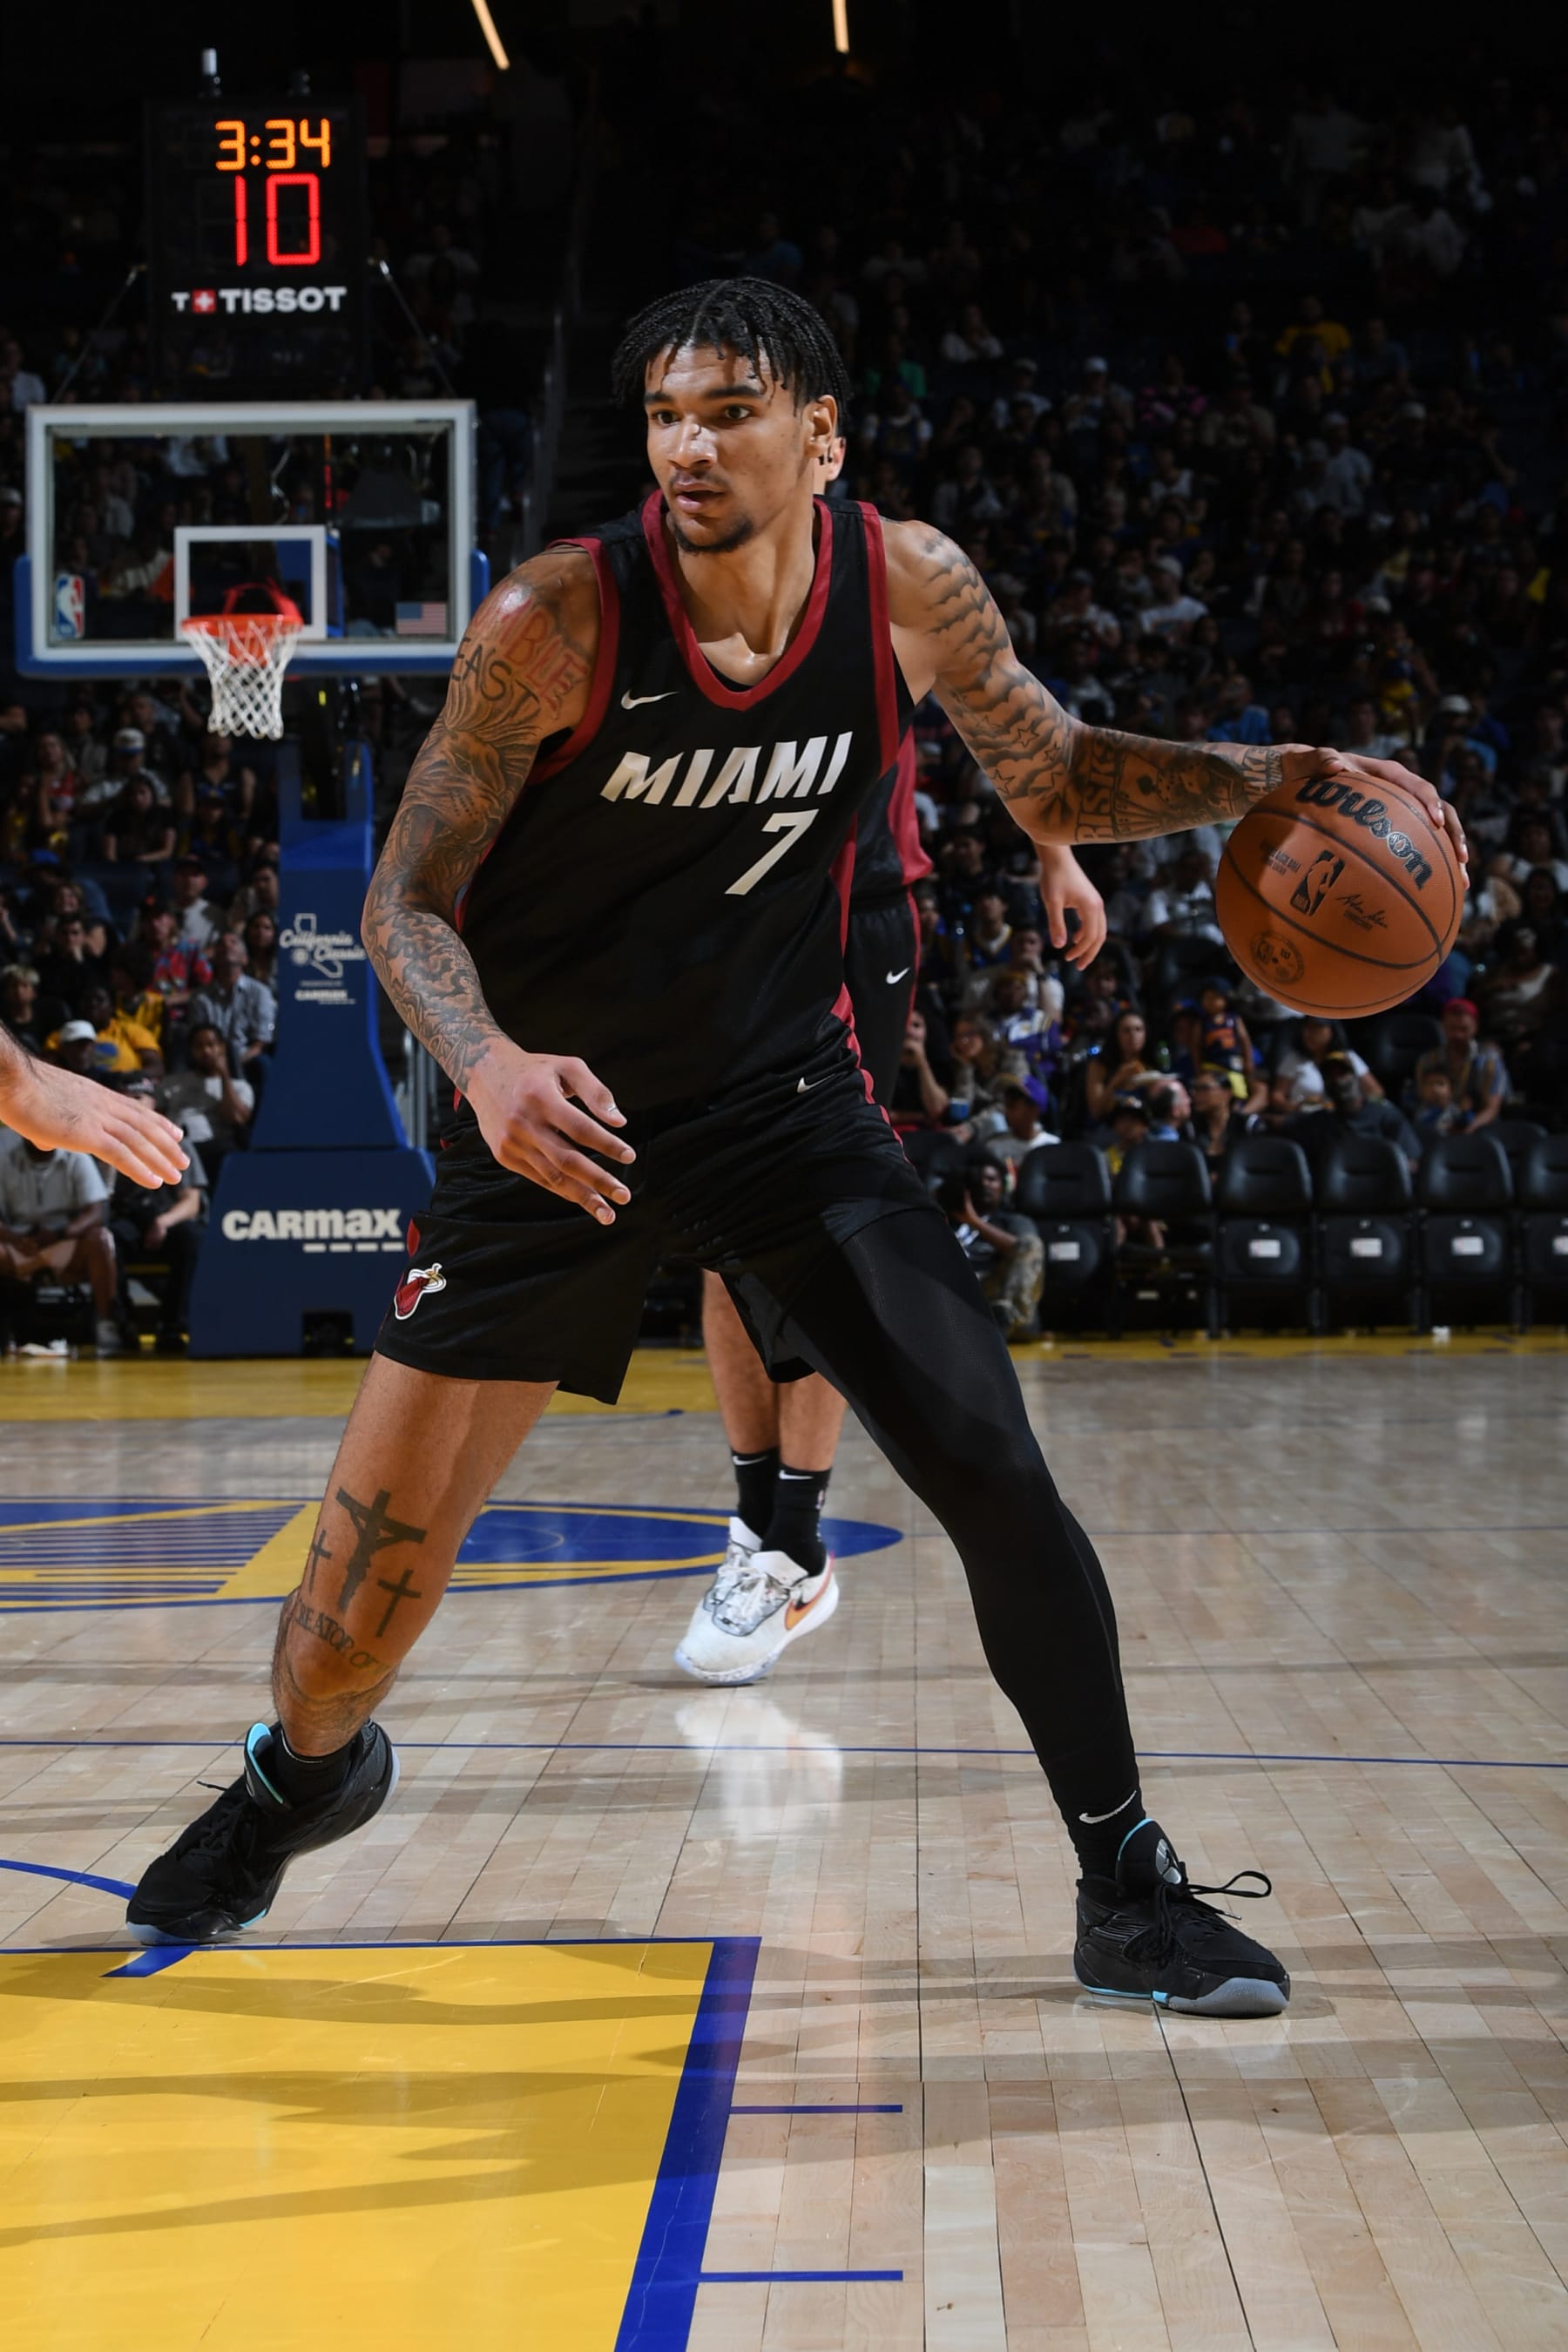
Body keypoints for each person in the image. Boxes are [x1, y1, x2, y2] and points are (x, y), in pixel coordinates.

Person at [127, 275, 1461, 2016]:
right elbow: (403, 901)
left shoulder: (904, 586)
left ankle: (1129, 1881)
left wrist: (1259, 771)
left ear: (820, 434)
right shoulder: (554, 619)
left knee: (994, 1458)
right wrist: (488, 1063)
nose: (688, 441)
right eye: (668, 414)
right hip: (559, 1130)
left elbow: (1051, 774)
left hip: (784, 1110)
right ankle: (296, 1779)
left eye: (730, 409)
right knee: (373, 1571)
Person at [0, 1127, 120, 1353]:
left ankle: (107, 1324)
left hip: (64, 1242)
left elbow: (96, 1211)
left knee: (101, 1240)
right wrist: (15, 1239)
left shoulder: (77, 1157)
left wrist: (61, 1233)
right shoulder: (5, 1161)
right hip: (20, 1244)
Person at [107, 1152, 206, 1353]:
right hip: (126, 1221)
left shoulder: (177, 1142)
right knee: (106, 1240)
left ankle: (173, 1327)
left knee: (192, 1238)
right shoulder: (114, 1139)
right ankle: (122, 1324)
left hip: (168, 1219)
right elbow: (102, 1198)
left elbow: (191, 1203)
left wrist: (163, 1222)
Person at [943, 1156, 1044, 1338]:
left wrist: (974, 1222)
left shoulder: (1013, 1221)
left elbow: (1025, 1250)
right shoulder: (945, 1221)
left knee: (1031, 1245)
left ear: (1003, 1186)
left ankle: (1011, 1321)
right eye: (978, 1180)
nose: (985, 1185)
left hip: (996, 1292)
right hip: (956, 1289)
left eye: (992, 1179)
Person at [156, 1020, 254, 1181]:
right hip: (177, 1145)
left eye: (211, 1045)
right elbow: (156, 1115)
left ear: (222, 1047)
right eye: (199, 1046)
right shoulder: (171, 1083)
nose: (206, 1051)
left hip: (213, 1149)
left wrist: (224, 1075)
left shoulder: (240, 1087)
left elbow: (236, 1118)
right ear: (191, 1051)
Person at [1411, 997, 1507, 1128]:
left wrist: (1469, 1129)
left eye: (1464, 1029)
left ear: (1475, 1027)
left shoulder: (1489, 1061)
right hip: (1436, 1124)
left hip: (1479, 1127)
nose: (1458, 1035)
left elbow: (1492, 1108)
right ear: (1443, 1025)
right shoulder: (1427, 1061)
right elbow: (1422, 1100)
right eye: (1452, 1028)